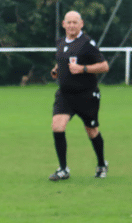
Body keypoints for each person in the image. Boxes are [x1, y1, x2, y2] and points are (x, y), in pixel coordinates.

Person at [49, 10, 109, 181]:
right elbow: (63, 60)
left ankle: (101, 164)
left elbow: (104, 66)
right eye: (69, 22)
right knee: (57, 126)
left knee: (92, 131)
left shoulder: (87, 43)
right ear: (63, 24)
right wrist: (57, 70)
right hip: (65, 95)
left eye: (75, 22)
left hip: (86, 95)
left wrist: (83, 69)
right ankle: (63, 169)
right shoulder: (60, 42)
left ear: (81, 24)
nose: (72, 25)